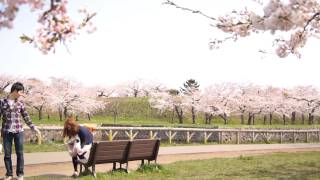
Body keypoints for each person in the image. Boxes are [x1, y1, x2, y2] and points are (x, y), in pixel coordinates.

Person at [0, 82, 41, 180]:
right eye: (21, 92)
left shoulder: (20, 103)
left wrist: (33, 128)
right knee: (7, 154)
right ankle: (9, 174)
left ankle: (20, 174)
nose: (22, 94)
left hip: (19, 131)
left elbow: (26, 117)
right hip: (6, 131)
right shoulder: (2, 102)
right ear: (15, 90)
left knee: (20, 153)